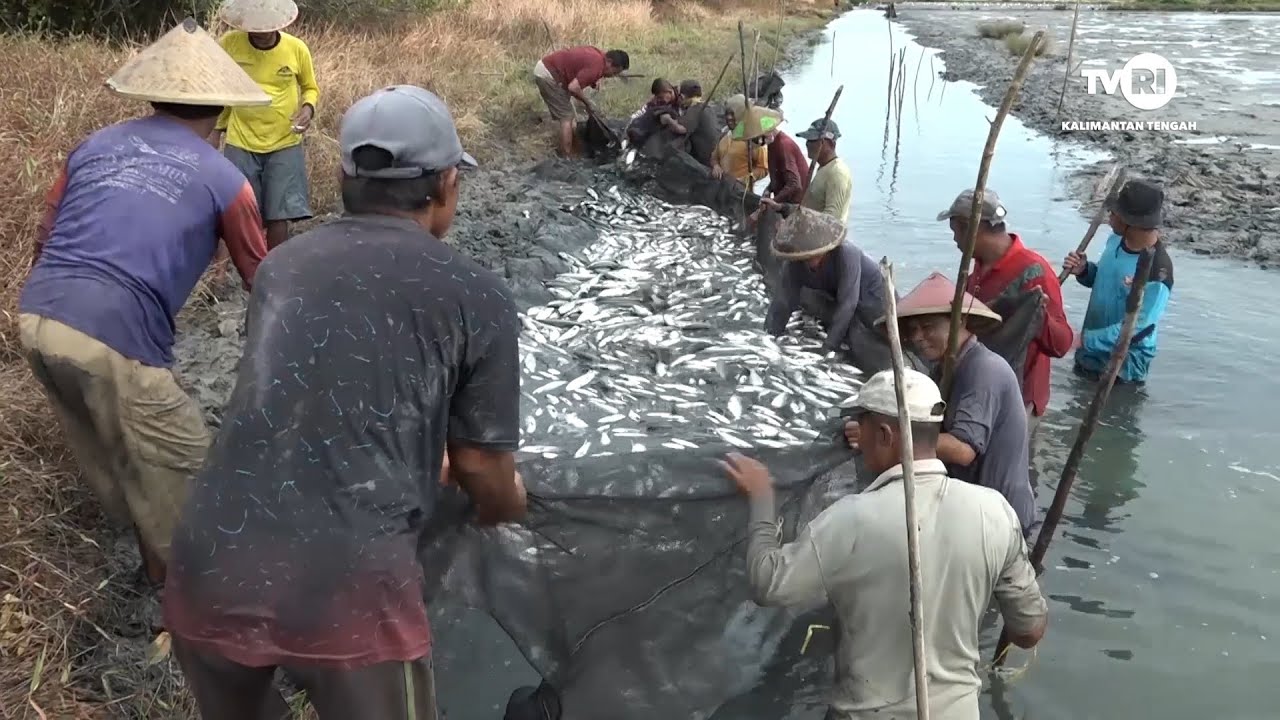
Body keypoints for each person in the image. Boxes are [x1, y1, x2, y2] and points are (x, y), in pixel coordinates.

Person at [163, 85, 528, 719]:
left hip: (211, 561)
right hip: (351, 589)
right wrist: (509, 504)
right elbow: (480, 469)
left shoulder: (283, 267)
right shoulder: (476, 293)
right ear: (446, 184)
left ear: (342, 176)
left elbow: (307, 399)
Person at [17, 19, 268, 587]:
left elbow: (45, 236)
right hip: (114, 336)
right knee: (192, 474)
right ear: (223, 112)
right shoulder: (227, 180)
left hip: (38, 317)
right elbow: (264, 279)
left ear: (151, 95)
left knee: (117, 451)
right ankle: (187, 603)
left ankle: (152, 571)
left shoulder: (95, 144)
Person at [724, 368, 1048, 720]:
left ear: (884, 434)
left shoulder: (850, 519)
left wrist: (762, 500)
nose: (856, 438)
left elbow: (769, 584)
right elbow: (1030, 630)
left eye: (860, 425)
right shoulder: (995, 511)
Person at [849, 272, 1037, 537]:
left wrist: (888, 438)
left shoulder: (984, 369)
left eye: (927, 327)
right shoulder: (944, 370)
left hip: (1002, 520)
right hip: (972, 510)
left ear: (960, 320)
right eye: (913, 330)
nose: (918, 337)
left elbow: (962, 449)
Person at [937, 189, 1072, 443]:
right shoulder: (974, 265)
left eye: (956, 232)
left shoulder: (1033, 271)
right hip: (979, 385)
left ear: (971, 229)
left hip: (1019, 394)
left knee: (1007, 469)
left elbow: (1062, 344)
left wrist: (1036, 315)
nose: (955, 240)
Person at [212, 0, 319, 251]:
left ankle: (274, 269)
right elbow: (220, 88)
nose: (259, 34)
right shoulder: (229, 44)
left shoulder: (296, 49)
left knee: (277, 213)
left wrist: (308, 108)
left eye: (265, 28)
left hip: (284, 141)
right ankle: (239, 271)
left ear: (277, 24)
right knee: (237, 209)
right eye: (253, 29)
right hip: (241, 140)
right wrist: (216, 129)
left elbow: (310, 87)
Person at [1062, 178, 1173, 385]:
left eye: (1115, 213)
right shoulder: (1116, 240)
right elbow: (1106, 282)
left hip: (1122, 370)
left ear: (1132, 223)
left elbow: (1138, 329)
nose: (1110, 217)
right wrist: (1085, 271)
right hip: (1089, 355)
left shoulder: (1158, 272)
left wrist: (1083, 340)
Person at [765, 206, 890, 364]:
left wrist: (828, 348)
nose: (808, 260)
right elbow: (783, 301)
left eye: (813, 255)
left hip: (874, 300)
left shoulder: (847, 254)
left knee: (878, 336)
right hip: (840, 296)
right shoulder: (794, 265)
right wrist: (770, 335)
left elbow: (848, 304)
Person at [533, 45, 630, 157]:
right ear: (609, 62)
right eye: (614, 72)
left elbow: (583, 68)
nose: (612, 75)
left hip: (551, 70)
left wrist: (594, 80)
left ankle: (572, 149)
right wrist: (587, 102)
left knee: (571, 118)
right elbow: (573, 87)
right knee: (566, 118)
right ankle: (566, 156)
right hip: (548, 75)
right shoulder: (596, 65)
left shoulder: (599, 55)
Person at [738, 106, 807, 225]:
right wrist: (769, 188)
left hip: (795, 208)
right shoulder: (772, 144)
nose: (757, 142)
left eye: (756, 137)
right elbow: (780, 173)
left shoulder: (783, 146)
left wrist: (773, 201)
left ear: (767, 132)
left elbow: (794, 184)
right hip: (783, 202)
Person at [796, 118, 852, 224]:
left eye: (813, 140)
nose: (807, 144)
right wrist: (783, 207)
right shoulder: (824, 168)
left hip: (822, 236)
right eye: (808, 140)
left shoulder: (837, 172)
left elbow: (833, 219)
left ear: (830, 144)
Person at [709, 94, 768, 185]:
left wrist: (746, 179)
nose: (729, 117)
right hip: (722, 188)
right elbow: (714, 157)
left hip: (742, 192)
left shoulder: (753, 139)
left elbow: (763, 169)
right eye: (727, 114)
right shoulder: (725, 135)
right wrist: (716, 166)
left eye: (733, 114)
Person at [625, 78, 681, 147]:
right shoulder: (657, 100)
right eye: (657, 97)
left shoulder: (683, 97)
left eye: (661, 97)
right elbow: (643, 110)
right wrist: (631, 120)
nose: (659, 99)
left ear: (669, 92)